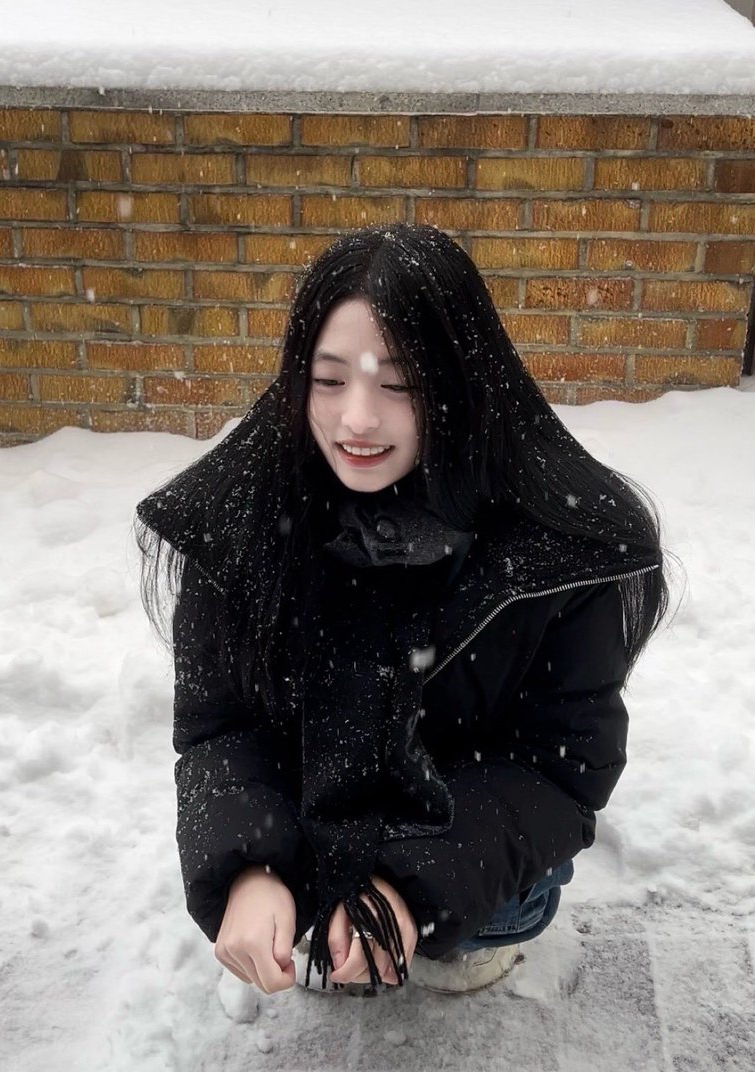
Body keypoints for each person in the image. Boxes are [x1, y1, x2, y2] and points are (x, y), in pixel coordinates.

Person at [134, 223, 671, 998]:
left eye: (399, 384)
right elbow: (223, 728)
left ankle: (444, 924)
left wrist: (413, 889)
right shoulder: (241, 519)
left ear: (459, 383)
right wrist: (248, 867)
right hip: (311, 824)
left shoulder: (552, 545)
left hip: (464, 837)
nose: (356, 419)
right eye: (328, 381)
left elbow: (560, 765)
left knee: (495, 914)